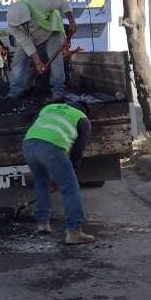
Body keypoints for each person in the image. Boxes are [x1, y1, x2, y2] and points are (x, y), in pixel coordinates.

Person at [22, 101, 95, 245]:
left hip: (29, 144)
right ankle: (74, 232)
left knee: (41, 182)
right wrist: (71, 168)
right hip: (52, 147)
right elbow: (77, 150)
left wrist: (55, 174)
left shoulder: (48, 107)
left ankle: (42, 224)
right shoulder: (82, 119)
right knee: (70, 188)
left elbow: (37, 126)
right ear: (84, 111)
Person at [5, 0, 77, 99]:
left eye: (25, 23)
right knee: (18, 60)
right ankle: (14, 93)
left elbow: (63, 3)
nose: (23, 25)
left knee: (56, 59)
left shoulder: (40, 2)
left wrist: (71, 21)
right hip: (32, 37)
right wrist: (38, 63)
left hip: (52, 31)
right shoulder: (13, 24)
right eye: (20, 25)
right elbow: (27, 44)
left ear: (28, 14)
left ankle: (58, 92)